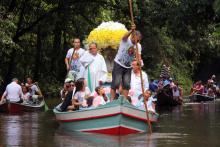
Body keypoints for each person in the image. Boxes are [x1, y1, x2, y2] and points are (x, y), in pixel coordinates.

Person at [110, 24, 142, 100]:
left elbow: (138, 57)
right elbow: (125, 36)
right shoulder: (126, 40)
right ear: (132, 36)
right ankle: (111, 100)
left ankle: (124, 101)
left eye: (138, 40)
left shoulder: (138, 46)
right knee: (116, 83)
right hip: (119, 64)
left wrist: (139, 62)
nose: (137, 41)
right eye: (136, 39)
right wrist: (131, 30)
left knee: (127, 84)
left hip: (128, 67)